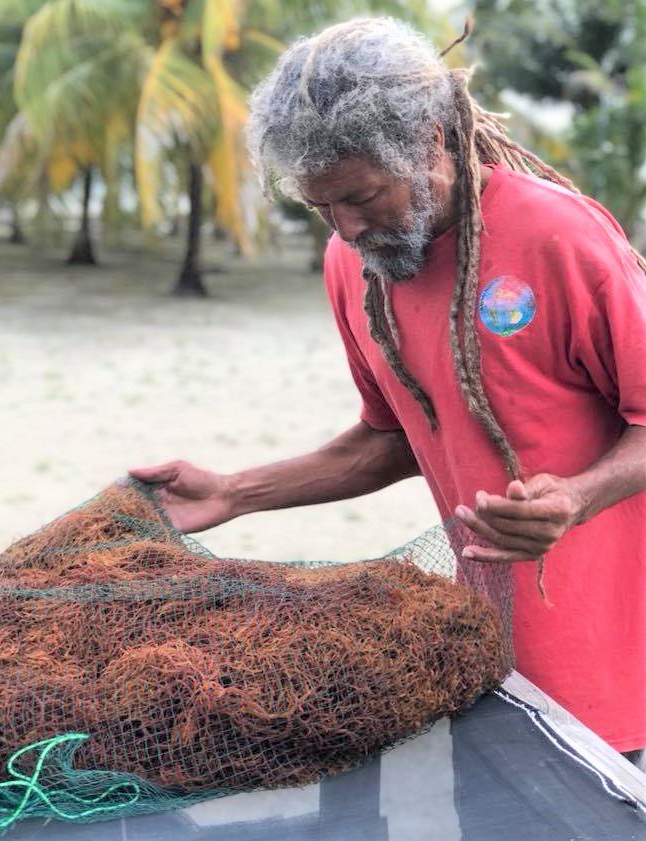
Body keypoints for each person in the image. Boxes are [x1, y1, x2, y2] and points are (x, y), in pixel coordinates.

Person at [131, 18, 646, 763]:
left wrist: (577, 496)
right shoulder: (354, 265)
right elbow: (392, 436)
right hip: (486, 662)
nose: (344, 224)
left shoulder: (557, 237)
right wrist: (236, 492)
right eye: (320, 207)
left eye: (362, 194)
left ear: (433, 140)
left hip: (614, 680)